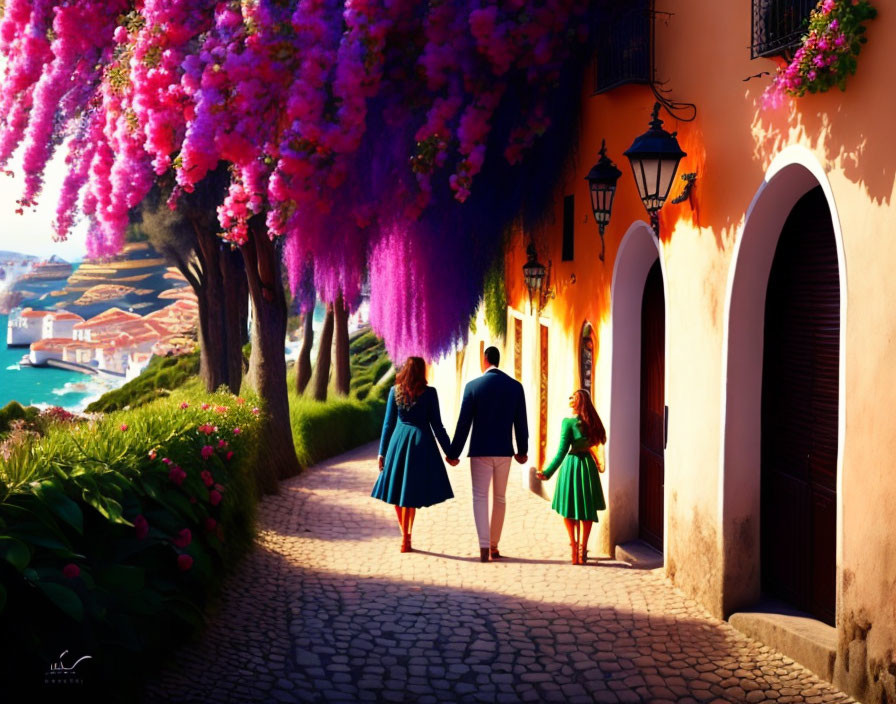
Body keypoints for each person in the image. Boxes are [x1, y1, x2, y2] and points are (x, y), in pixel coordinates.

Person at [447, 346, 528, 562]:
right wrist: (523, 451)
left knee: (480, 497)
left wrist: (454, 453)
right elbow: (521, 422)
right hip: (504, 451)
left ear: (484, 360)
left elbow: (463, 424)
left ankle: (483, 547)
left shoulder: (473, 387)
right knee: (500, 498)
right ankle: (494, 546)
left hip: (481, 451)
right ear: (498, 361)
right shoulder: (515, 387)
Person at [372, 356, 454, 553]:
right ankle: (406, 536)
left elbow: (388, 424)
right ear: (421, 371)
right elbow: (437, 426)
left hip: (398, 443)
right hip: (420, 442)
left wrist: (382, 452)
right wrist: (450, 452)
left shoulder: (395, 392)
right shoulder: (429, 393)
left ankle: (404, 535)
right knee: (410, 492)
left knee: (397, 490)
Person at [536, 389, 607, 565]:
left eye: (573, 397)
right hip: (587, 467)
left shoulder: (568, 423)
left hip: (573, 465)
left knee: (570, 507)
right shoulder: (593, 422)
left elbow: (561, 451)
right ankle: (583, 548)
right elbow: (600, 441)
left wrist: (547, 472)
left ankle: (575, 549)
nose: (570, 399)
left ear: (578, 403)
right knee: (586, 509)